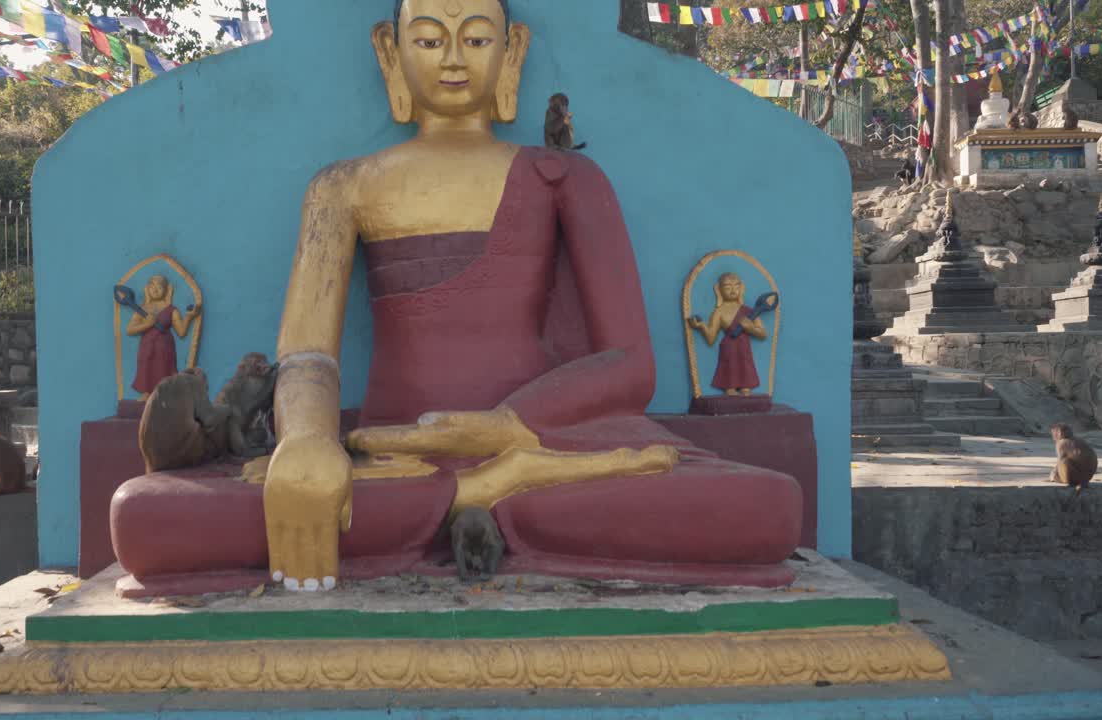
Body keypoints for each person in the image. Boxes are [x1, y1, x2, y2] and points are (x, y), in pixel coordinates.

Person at [110, 0, 803, 593]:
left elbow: (630, 365)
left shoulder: (564, 177)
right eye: (428, 38)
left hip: (549, 445)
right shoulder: (344, 186)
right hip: (391, 457)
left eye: (475, 38)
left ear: (511, 52)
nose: (452, 59)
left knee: (765, 506)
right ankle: (478, 496)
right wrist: (310, 445)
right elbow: (307, 354)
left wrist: (506, 424)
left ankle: (481, 492)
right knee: (144, 518)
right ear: (391, 51)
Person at [688, 273, 766, 396]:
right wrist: (702, 326)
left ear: (741, 288)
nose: (733, 290)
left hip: (744, 347)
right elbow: (711, 338)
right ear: (719, 290)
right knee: (730, 367)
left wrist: (750, 328)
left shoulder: (749, 311)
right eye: (727, 287)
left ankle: (745, 386)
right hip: (728, 346)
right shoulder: (719, 312)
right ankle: (730, 387)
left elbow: (763, 334)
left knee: (745, 365)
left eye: (736, 286)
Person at [126, 275, 201, 398]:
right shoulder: (143, 308)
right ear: (147, 289)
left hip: (164, 347)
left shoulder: (171, 309)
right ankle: (147, 394)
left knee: (162, 369)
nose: (155, 289)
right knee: (146, 370)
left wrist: (189, 316)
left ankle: (162, 395)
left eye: (159, 286)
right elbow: (130, 330)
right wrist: (147, 324)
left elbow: (181, 332)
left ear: (166, 290)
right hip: (146, 348)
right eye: (152, 286)